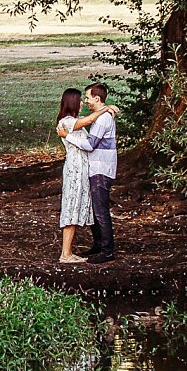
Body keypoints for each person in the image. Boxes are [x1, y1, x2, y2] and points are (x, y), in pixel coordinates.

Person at [55, 89, 94, 263]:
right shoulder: (67, 121)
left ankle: (68, 252)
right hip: (74, 170)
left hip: (80, 169)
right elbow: (90, 119)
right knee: (71, 206)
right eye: (81, 100)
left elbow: (87, 144)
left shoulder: (73, 123)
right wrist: (106, 109)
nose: (84, 103)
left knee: (77, 205)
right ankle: (65, 254)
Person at [82, 83, 119, 264]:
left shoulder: (103, 119)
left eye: (88, 97)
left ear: (97, 99)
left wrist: (68, 136)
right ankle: (98, 244)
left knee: (100, 210)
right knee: (95, 209)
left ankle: (107, 250)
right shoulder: (102, 116)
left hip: (101, 169)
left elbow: (90, 144)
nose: (86, 101)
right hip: (97, 167)